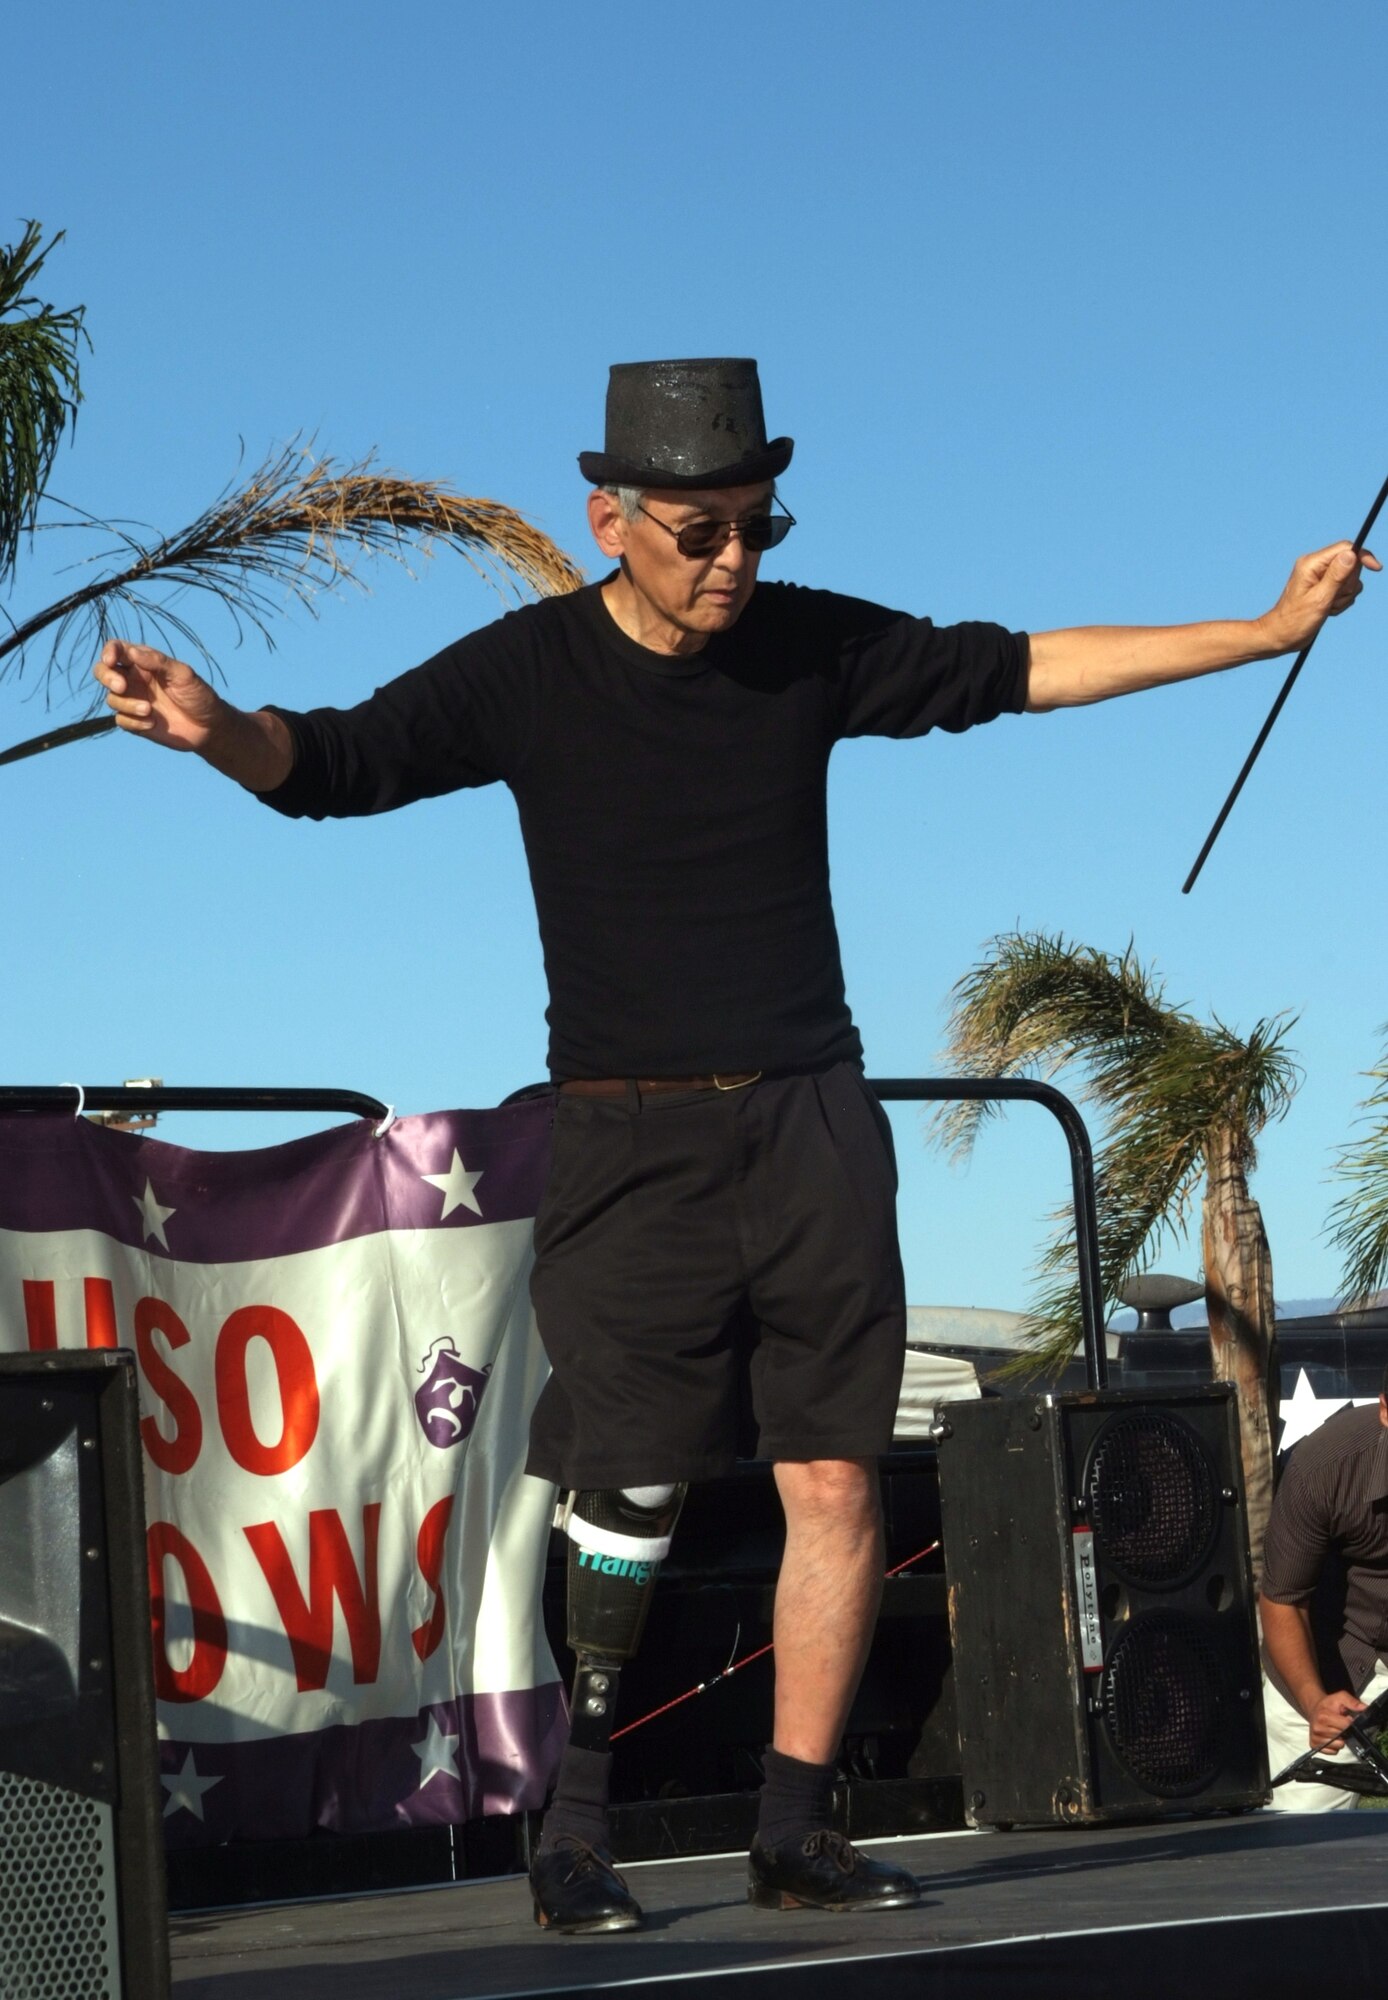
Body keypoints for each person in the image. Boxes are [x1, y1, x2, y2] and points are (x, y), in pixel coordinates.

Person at [94, 357, 1377, 1931]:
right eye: (701, 531)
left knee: (834, 1481)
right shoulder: (530, 670)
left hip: (809, 1118)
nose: (733, 562)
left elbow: (1028, 666)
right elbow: (343, 766)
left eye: (756, 527)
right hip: (628, 1135)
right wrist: (223, 731)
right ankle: (574, 1831)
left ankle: (794, 1826)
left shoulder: (807, 644)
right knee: (627, 1491)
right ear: (611, 518)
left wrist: (1261, 629)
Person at [1259, 1367, 1388, 1811]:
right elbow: (1284, 1600)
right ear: (1385, 1410)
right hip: (1336, 1650)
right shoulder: (1325, 1466)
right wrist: (1315, 1703)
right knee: (1300, 1834)